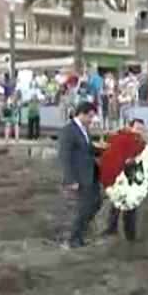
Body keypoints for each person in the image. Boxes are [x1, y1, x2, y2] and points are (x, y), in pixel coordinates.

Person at [58, 102, 102, 248]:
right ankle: (73, 239)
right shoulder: (68, 130)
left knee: (96, 202)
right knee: (83, 208)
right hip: (79, 176)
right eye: (90, 116)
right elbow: (64, 156)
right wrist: (70, 179)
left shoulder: (84, 129)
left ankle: (79, 234)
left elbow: (87, 149)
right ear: (81, 114)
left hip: (91, 174)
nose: (92, 120)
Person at [100, 119, 148, 242]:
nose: (139, 131)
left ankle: (130, 236)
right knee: (115, 205)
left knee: (131, 209)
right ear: (130, 128)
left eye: (142, 129)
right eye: (137, 128)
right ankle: (111, 229)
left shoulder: (142, 143)